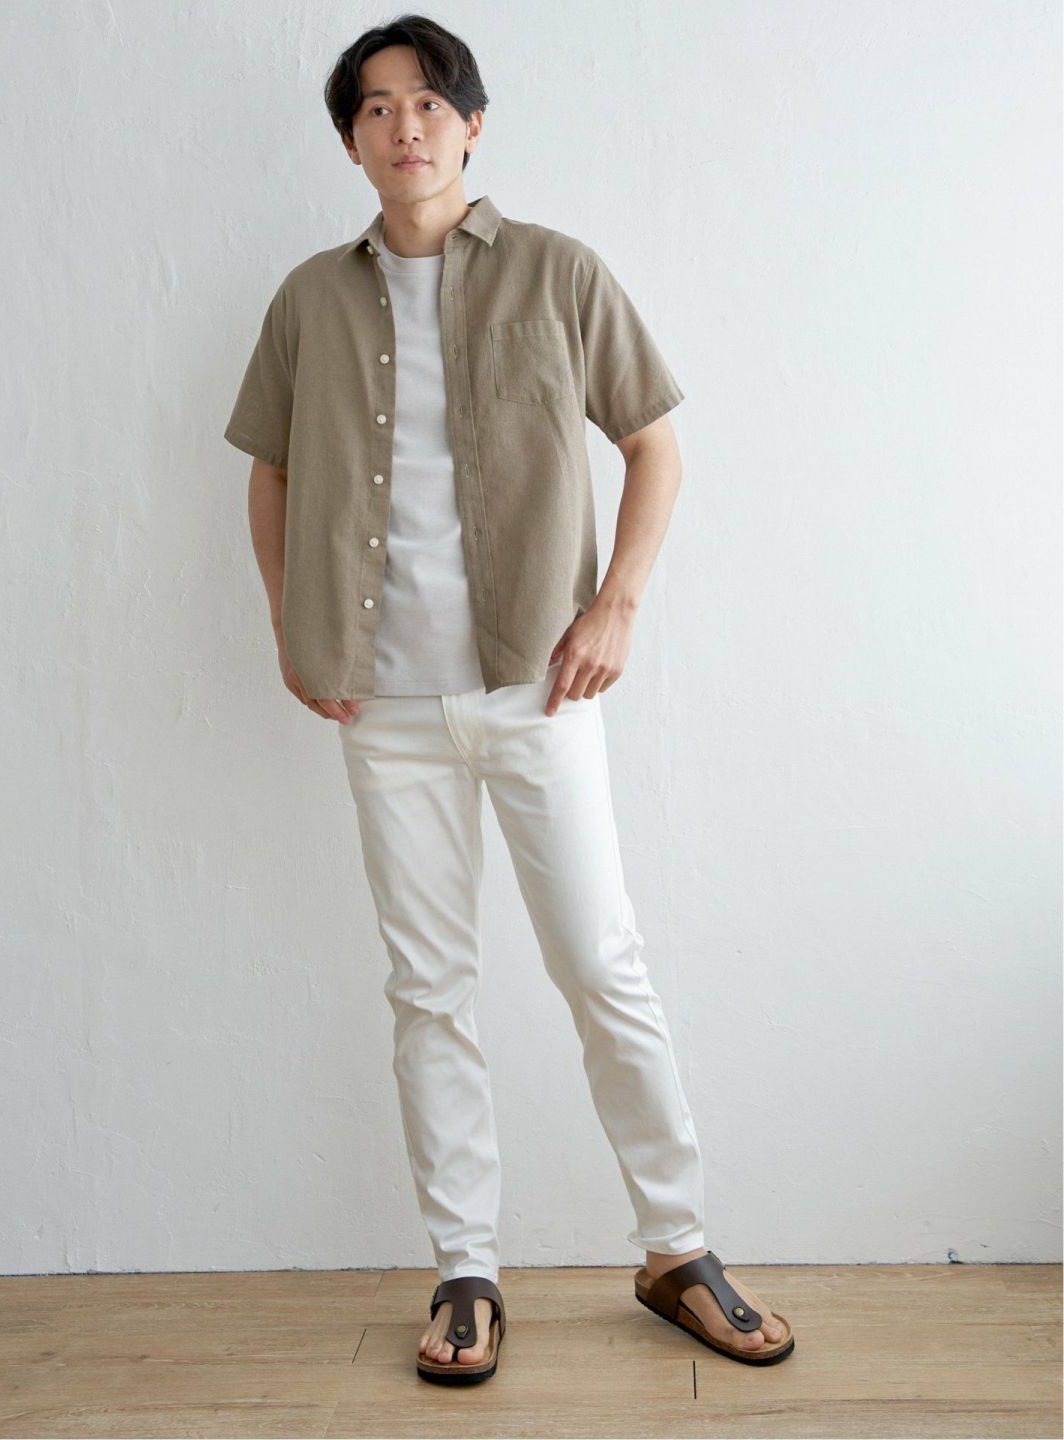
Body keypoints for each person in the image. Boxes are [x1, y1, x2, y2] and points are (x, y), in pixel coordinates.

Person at [224, 13, 795, 1384]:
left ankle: (677, 1247)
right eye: (376, 108)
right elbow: (269, 471)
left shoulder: (557, 272)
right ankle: (467, 1270)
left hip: (539, 687)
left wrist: (617, 606)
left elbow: (654, 445)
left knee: (602, 962)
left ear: (472, 125)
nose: (404, 127)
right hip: (383, 707)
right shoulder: (309, 300)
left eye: (429, 103)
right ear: (351, 140)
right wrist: (291, 629)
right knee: (429, 988)